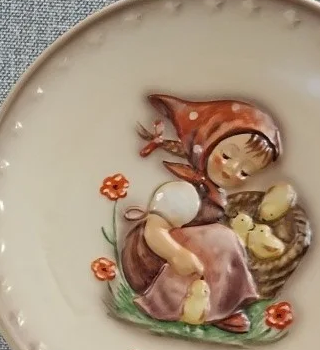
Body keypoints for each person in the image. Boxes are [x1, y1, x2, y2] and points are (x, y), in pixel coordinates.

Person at [120, 93, 281, 333]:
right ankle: (172, 303)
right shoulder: (184, 191)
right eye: (226, 156)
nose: (232, 169)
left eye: (245, 172)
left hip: (192, 261)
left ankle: (218, 307)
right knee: (220, 239)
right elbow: (154, 231)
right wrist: (176, 254)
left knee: (223, 238)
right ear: (206, 144)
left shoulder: (214, 194)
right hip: (154, 262)